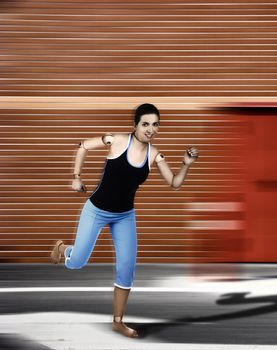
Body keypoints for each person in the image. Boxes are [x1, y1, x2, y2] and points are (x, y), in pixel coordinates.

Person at [49, 103, 199, 338]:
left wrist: (185, 165)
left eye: (155, 124)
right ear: (136, 125)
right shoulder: (116, 140)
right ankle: (63, 248)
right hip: (96, 210)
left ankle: (118, 322)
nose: (150, 129)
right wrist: (76, 177)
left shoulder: (154, 154)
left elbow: (174, 183)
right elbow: (83, 146)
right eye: (145, 123)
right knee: (77, 262)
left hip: (124, 216)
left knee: (127, 269)